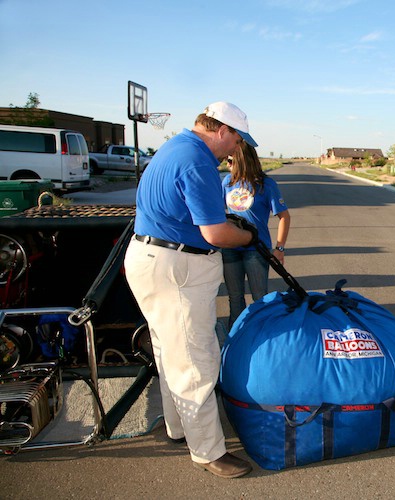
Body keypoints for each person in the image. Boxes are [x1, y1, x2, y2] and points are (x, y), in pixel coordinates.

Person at [124, 102, 259, 479]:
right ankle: (208, 452)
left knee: (170, 352)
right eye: (237, 140)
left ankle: (180, 428)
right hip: (177, 268)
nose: (236, 149)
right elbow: (216, 234)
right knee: (195, 361)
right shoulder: (197, 161)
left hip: (152, 256)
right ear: (221, 131)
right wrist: (248, 234)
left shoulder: (174, 148)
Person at [222, 141, 290, 328]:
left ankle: (262, 336)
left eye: (230, 160)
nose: (227, 164)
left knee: (260, 298)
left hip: (256, 250)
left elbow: (284, 216)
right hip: (230, 248)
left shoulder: (266, 185)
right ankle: (235, 340)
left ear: (242, 160)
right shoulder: (227, 182)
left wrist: (280, 248)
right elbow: (218, 213)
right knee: (234, 298)